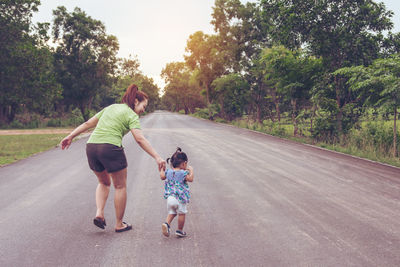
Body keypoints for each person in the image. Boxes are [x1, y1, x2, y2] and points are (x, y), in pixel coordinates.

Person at [60, 84, 165, 233]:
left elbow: (88, 123)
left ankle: (99, 213)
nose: (143, 110)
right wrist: (157, 157)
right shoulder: (132, 115)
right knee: (120, 186)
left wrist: (71, 136)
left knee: (103, 182)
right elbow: (140, 139)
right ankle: (119, 224)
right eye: (144, 106)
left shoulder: (111, 108)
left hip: (91, 147)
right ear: (135, 101)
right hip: (110, 148)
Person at [160, 148, 194, 238]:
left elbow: (162, 177)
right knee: (181, 213)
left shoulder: (168, 172)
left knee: (172, 212)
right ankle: (179, 230)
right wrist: (191, 171)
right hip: (180, 199)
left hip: (170, 198)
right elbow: (191, 179)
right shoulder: (183, 173)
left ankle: (166, 224)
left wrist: (162, 170)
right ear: (184, 163)